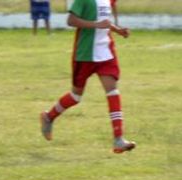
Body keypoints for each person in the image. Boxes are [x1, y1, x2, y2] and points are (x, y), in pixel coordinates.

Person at [38, 0, 136, 153]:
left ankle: (118, 139)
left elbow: (105, 21)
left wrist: (117, 30)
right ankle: (49, 117)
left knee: (113, 91)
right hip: (85, 54)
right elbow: (71, 20)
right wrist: (96, 24)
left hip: (105, 52)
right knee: (76, 97)